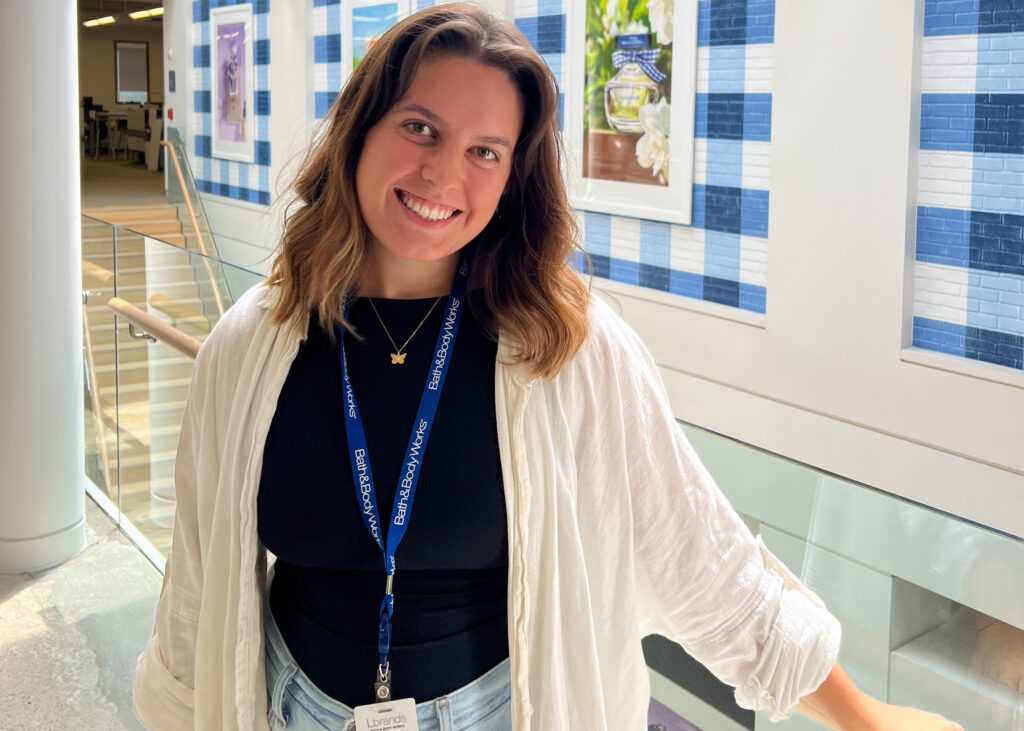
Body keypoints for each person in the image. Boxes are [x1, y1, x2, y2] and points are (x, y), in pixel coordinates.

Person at [133, 5, 964, 730]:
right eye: (420, 127)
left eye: (486, 151)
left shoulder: (570, 351)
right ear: (362, 128)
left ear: (512, 179)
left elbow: (705, 564)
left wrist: (865, 717)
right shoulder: (251, 346)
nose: (443, 173)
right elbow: (199, 575)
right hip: (291, 709)